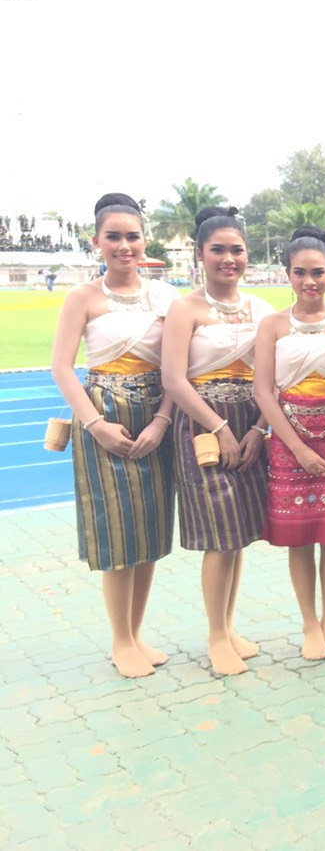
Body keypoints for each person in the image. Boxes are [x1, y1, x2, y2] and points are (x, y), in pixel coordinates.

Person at [50, 193, 178, 678]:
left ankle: (137, 634)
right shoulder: (82, 298)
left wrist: (163, 420)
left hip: (156, 418)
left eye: (133, 236)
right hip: (104, 415)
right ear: (96, 241)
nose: (125, 246)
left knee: (149, 532)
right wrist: (96, 425)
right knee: (118, 535)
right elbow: (62, 367)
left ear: (144, 239)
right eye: (114, 237)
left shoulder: (166, 297)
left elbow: (177, 369)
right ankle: (120, 641)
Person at [162, 207, 273, 676]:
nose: (229, 259)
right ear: (200, 254)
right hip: (203, 426)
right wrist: (220, 428)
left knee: (240, 533)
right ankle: (214, 637)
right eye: (218, 250)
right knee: (220, 534)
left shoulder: (262, 309)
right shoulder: (185, 308)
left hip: (251, 423)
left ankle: (228, 628)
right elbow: (173, 379)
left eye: (237, 250)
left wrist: (259, 429)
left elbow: (273, 378)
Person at [254, 227, 325, 661]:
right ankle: (308, 624)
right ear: (287, 274)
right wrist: (298, 449)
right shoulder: (272, 325)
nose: (309, 281)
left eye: (318, 272)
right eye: (300, 272)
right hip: (290, 441)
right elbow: (263, 392)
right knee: (299, 536)